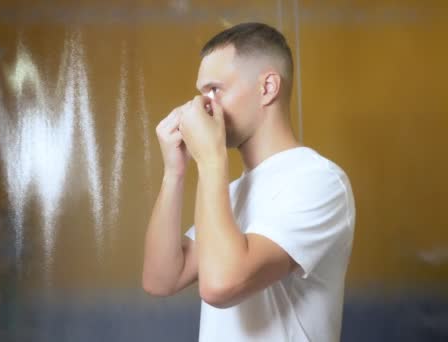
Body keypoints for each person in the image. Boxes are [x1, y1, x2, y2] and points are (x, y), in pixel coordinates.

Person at [141, 22, 355, 342]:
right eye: (201, 93)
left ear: (267, 87)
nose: (204, 106)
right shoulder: (231, 193)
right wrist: (174, 172)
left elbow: (220, 284)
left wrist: (210, 158)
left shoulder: (319, 181)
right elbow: (160, 279)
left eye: (215, 90)